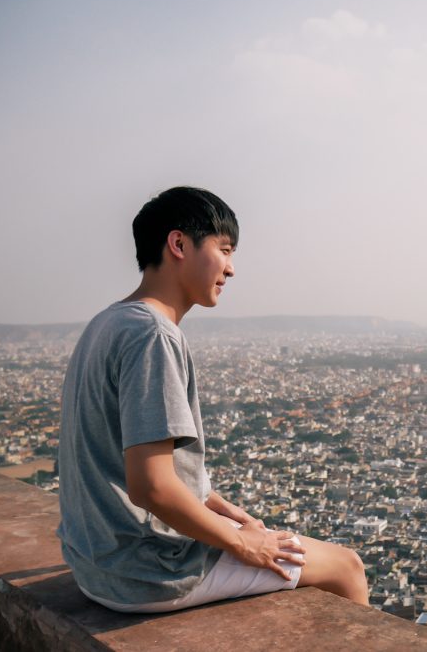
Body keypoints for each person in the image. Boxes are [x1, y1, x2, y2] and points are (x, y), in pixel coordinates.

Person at [57, 186, 368, 613]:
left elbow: (153, 470)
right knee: (347, 566)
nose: (231, 269)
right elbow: (151, 487)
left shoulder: (108, 322)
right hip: (147, 573)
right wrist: (245, 544)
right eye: (224, 250)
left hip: (95, 564)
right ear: (179, 243)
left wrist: (230, 514)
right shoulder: (154, 335)